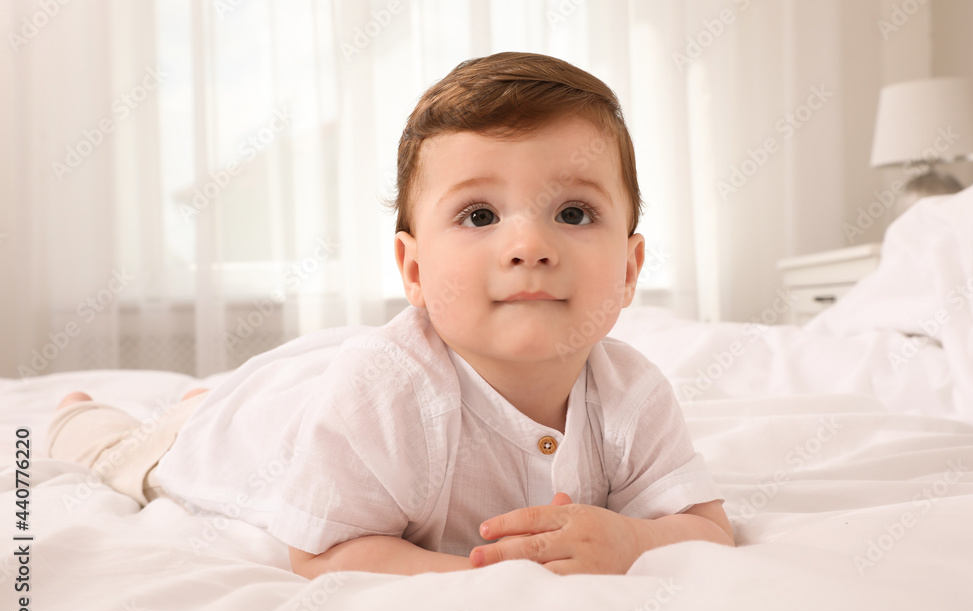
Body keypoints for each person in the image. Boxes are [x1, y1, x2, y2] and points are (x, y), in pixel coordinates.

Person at [46, 51, 734, 578]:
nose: (529, 245)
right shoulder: (389, 390)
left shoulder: (632, 393)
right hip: (254, 436)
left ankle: (204, 397)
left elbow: (706, 525)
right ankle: (91, 411)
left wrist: (634, 539)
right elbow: (328, 553)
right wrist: (501, 576)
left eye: (574, 212)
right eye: (480, 214)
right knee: (143, 449)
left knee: (232, 399)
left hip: (315, 401)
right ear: (413, 271)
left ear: (629, 270)